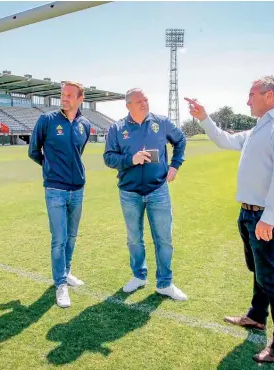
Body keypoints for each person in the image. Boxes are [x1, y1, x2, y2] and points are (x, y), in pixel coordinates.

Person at [185, 75, 274, 363]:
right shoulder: (260, 128)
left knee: (270, 277)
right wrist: (204, 118)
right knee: (259, 270)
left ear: (269, 95)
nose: (247, 100)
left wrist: (269, 218)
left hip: (265, 214)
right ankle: (256, 316)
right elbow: (225, 140)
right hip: (249, 212)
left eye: (252, 94)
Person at [103, 88, 188, 301]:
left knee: (164, 239)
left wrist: (175, 165)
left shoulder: (162, 123)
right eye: (139, 101)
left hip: (158, 189)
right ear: (128, 105)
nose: (144, 103)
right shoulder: (117, 128)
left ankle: (165, 283)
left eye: (146, 99)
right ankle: (139, 276)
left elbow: (181, 141)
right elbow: (108, 158)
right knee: (134, 239)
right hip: (129, 192)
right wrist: (131, 159)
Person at [28, 81, 91, 308]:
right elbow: (33, 151)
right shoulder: (47, 120)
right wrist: (50, 167)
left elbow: (77, 154)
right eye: (62, 94)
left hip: (78, 189)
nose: (64, 98)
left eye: (69, 95)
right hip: (55, 189)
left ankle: (66, 271)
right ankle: (60, 285)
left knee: (72, 237)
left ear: (80, 99)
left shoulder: (85, 124)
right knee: (59, 239)